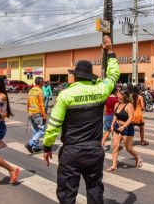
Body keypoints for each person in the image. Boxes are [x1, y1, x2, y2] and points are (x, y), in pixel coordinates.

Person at [42, 35, 119, 204]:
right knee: (94, 190)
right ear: (90, 76)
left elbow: (54, 125)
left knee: (67, 196)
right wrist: (110, 51)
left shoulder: (65, 95)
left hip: (71, 153)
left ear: (75, 76)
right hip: (94, 152)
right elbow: (114, 75)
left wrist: (47, 146)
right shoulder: (101, 90)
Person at [106, 90, 143, 171]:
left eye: (120, 94)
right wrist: (112, 125)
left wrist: (124, 126)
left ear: (125, 96)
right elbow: (115, 116)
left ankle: (138, 158)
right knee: (115, 146)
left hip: (127, 128)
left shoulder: (129, 105)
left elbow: (130, 118)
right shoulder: (116, 104)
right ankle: (114, 165)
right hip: (117, 127)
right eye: (117, 94)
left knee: (128, 148)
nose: (118, 95)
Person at [25, 76, 46, 154]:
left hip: (31, 113)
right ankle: (31, 143)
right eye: (43, 82)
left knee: (35, 130)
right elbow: (41, 104)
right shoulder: (40, 91)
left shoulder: (31, 90)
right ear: (40, 82)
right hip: (38, 114)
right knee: (41, 131)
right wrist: (44, 115)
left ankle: (35, 147)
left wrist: (29, 112)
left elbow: (28, 103)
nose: (43, 83)